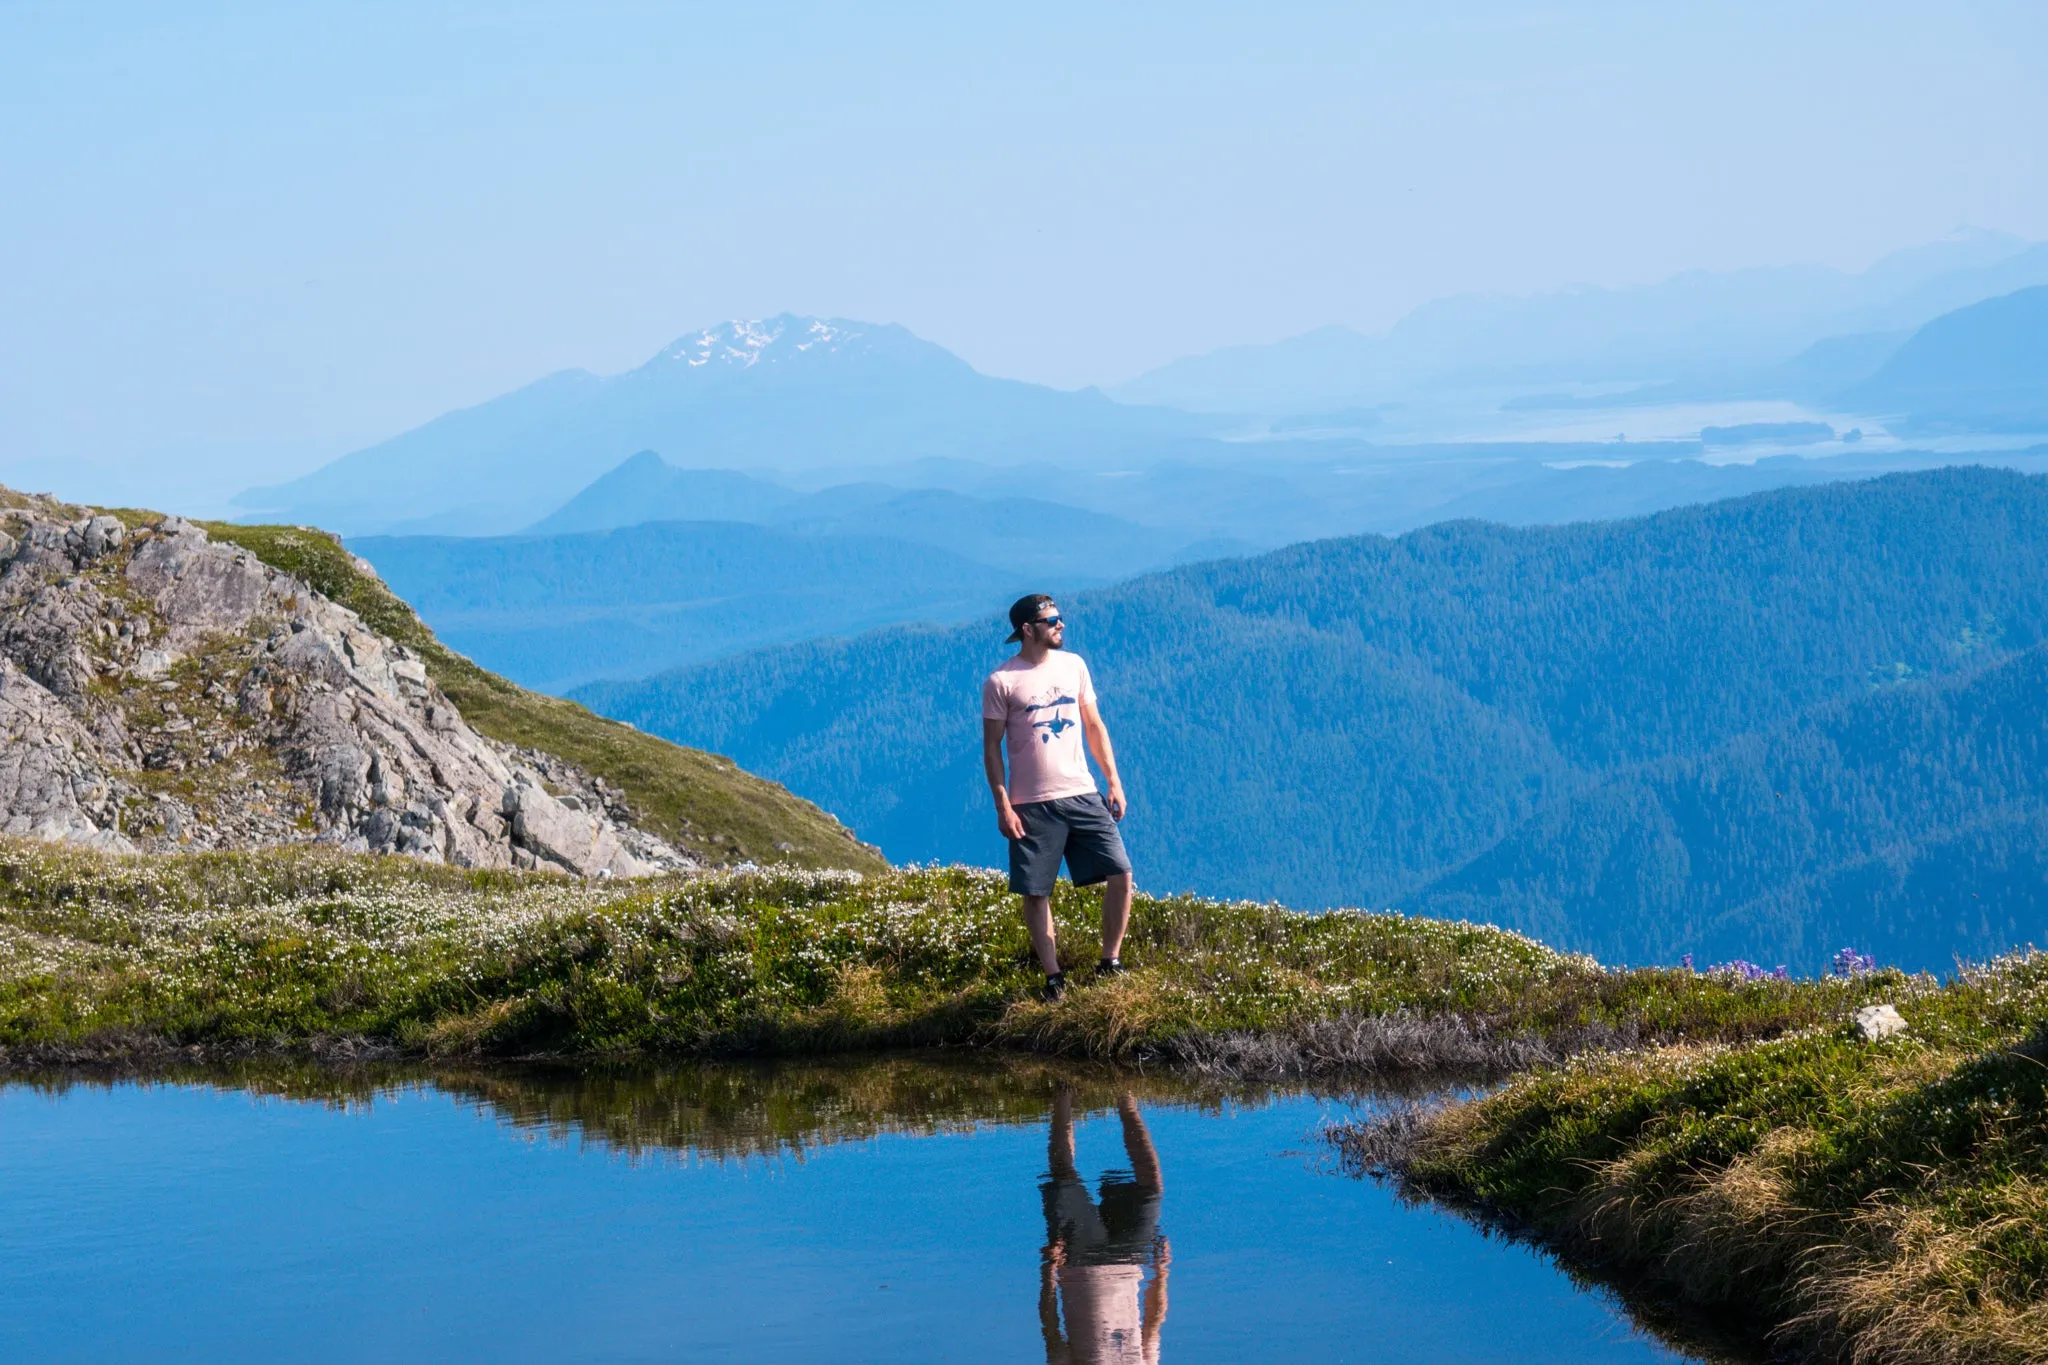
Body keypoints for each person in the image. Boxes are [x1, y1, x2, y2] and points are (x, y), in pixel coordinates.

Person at [981, 594, 1134, 1001]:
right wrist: (1003, 804)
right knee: (1037, 891)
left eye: (1060, 618)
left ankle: (1110, 962)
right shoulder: (1001, 681)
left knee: (1121, 873)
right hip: (1031, 803)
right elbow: (991, 747)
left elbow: (1094, 725)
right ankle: (1053, 978)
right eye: (1052, 620)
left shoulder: (1075, 665)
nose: (1061, 625)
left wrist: (1113, 781)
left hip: (1083, 791)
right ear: (1028, 630)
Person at [1038, 1086, 1169, 1365]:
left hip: (1078, 1263)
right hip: (1131, 1258)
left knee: (1063, 1175)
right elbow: (1153, 1323)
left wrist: (1048, 1273)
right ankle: (1126, 1098)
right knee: (1152, 1186)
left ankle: (1064, 1095)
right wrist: (1161, 1272)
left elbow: (1050, 1329)